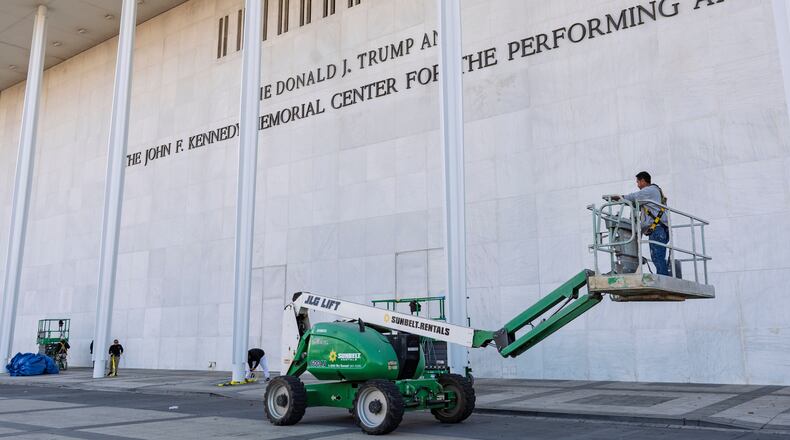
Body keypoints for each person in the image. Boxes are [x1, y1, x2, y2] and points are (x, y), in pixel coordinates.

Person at [612, 171, 671, 276]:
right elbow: (636, 204)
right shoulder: (654, 192)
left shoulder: (649, 190)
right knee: (658, 256)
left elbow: (633, 197)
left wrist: (619, 198)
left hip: (658, 229)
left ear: (643, 181)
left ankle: (663, 278)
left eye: (638, 182)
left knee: (657, 256)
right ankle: (664, 276)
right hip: (660, 229)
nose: (638, 185)